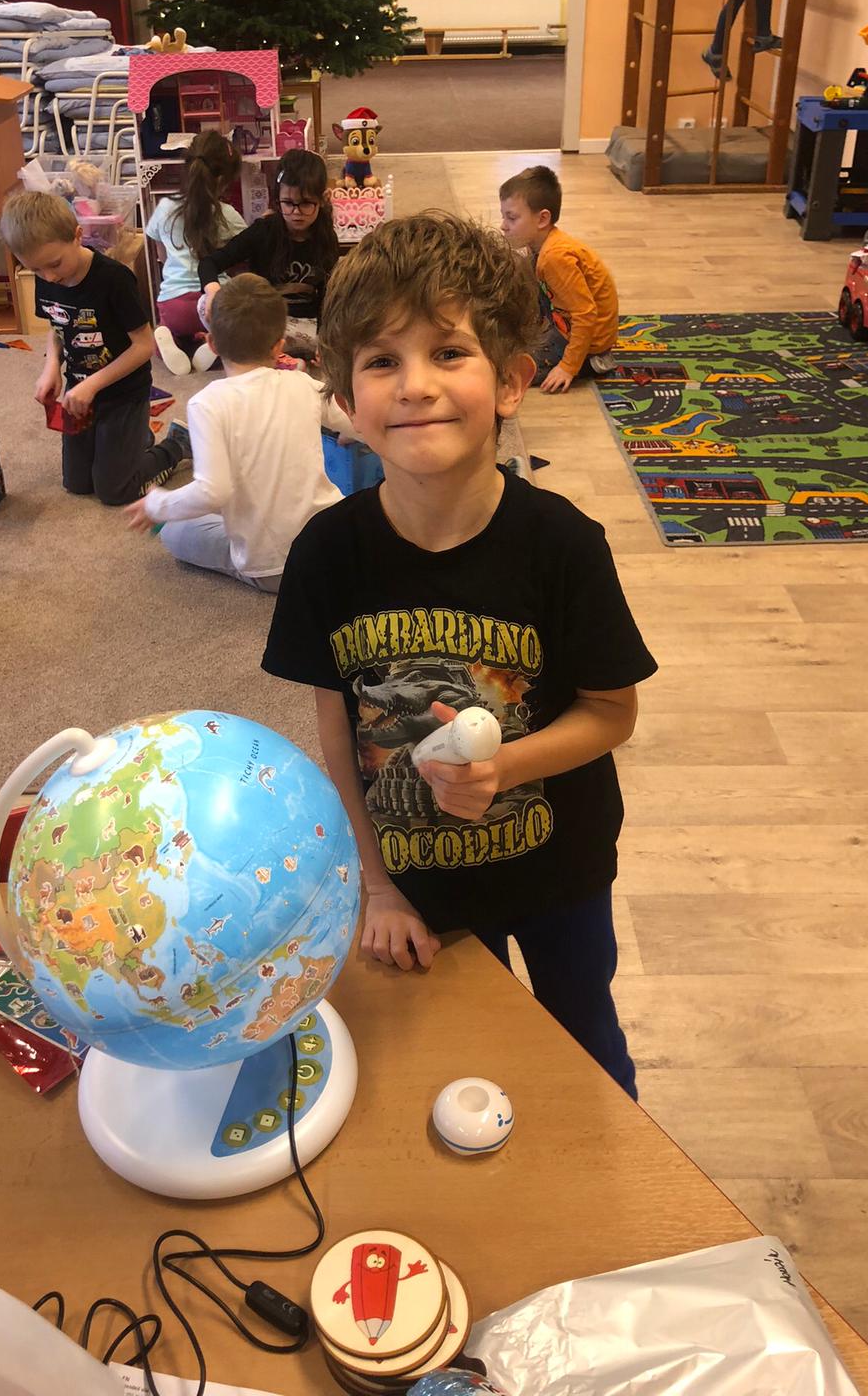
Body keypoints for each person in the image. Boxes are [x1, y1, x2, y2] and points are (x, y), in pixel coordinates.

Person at [261, 214, 657, 1099]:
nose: (415, 386)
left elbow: (612, 712)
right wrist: (377, 888)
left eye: (448, 352)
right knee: (447, 1066)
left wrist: (503, 767)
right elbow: (336, 739)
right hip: (417, 886)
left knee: (586, 1056)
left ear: (511, 381)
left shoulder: (564, 545)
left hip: (558, 874)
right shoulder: (326, 555)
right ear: (345, 401)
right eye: (381, 361)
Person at [123, 273, 350, 592]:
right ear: (279, 346)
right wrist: (349, 433)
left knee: (174, 530)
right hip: (330, 546)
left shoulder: (207, 403)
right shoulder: (303, 383)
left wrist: (157, 505)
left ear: (212, 344)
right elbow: (355, 422)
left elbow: (213, 491)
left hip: (276, 567)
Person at [0, 190, 189, 506]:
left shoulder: (114, 279)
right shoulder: (46, 274)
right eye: (36, 270)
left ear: (77, 236)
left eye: (54, 264)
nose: (48, 277)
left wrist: (92, 385)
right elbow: (56, 324)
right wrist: (52, 367)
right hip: (79, 394)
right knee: (77, 484)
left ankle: (177, 445)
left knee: (115, 490)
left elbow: (144, 346)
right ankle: (135, 439)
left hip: (123, 393)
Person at [199, 147, 339, 362]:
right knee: (205, 304)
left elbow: (327, 296)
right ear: (277, 199)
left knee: (347, 330)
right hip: (263, 319)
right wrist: (212, 291)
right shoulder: (264, 230)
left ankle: (257, 352)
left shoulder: (326, 237)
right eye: (288, 203)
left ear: (322, 199)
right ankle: (277, 357)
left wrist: (324, 337)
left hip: (304, 326)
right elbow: (209, 263)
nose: (296, 212)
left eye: (306, 204)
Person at [499, 165, 619, 395]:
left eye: (511, 218)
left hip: (587, 347)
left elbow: (585, 314)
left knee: (508, 371)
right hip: (561, 324)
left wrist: (567, 367)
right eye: (504, 216)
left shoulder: (555, 258)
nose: (503, 225)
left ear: (542, 219)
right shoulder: (539, 247)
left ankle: (590, 363)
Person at [144, 130, 245, 378]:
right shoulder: (228, 215)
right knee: (238, 336)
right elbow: (242, 258)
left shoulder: (165, 207)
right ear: (223, 180)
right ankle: (213, 344)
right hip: (214, 305)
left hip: (173, 303)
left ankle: (169, 337)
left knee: (169, 328)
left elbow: (161, 256)